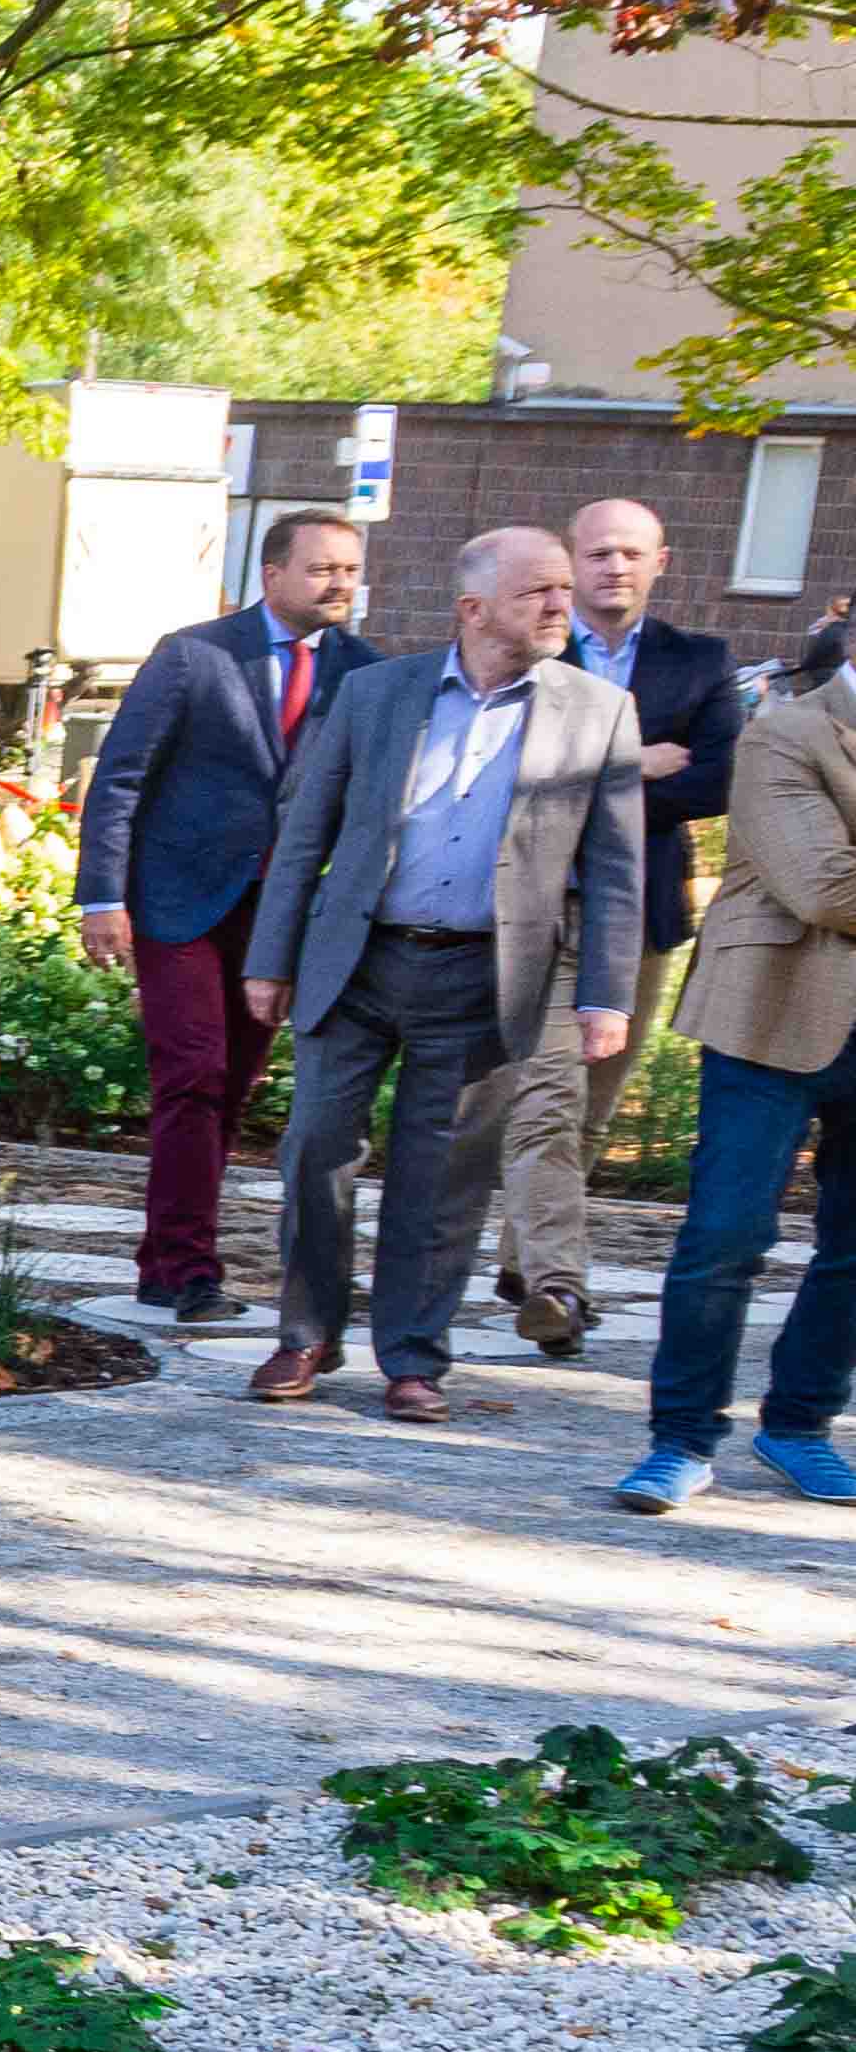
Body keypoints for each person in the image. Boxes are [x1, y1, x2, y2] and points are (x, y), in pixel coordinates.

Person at [242, 524, 645, 1425]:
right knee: (314, 1147)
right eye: (536, 591)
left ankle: (413, 1358)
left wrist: (605, 994)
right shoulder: (374, 692)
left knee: (444, 1175)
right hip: (357, 960)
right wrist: (269, 958)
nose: (558, 605)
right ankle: (305, 1333)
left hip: (484, 975)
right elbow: (306, 831)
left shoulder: (595, 711)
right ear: (472, 607)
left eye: (561, 590)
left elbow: (617, 866)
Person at [76, 512, 364, 1323]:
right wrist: (104, 897)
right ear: (272, 574)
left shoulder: (363, 673)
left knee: (231, 1087)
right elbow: (121, 777)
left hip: (280, 917)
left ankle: (163, 1263)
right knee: (192, 1075)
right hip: (179, 904)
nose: (339, 583)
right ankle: (190, 1267)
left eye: (348, 569)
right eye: (321, 569)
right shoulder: (194, 655)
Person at [496, 495, 742, 1355]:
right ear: (572, 556)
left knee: (591, 1103)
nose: (613, 568)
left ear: (659, 562)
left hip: (634, 907)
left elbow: (714, 783)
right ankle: (556, 1281)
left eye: (631, 553)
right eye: (597, 553)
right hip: (521, 905)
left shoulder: (697, 663)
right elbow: (504, 770)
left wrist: (580, 779)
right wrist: (633, 763)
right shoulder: (526, 645)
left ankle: (522, 1255)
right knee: (537, 1098)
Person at [616, 644, 856, 1512]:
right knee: (725, 1236)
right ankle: (679, 1441)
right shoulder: (787, 733)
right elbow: (825, 886)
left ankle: (798, 1427)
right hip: (771, 1012)